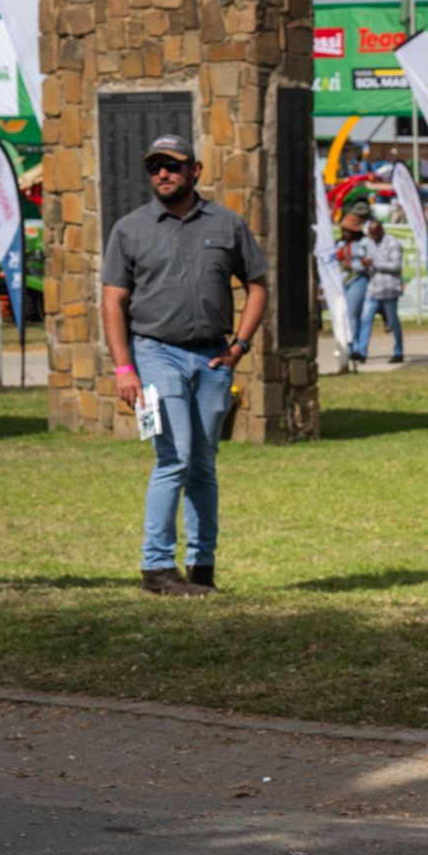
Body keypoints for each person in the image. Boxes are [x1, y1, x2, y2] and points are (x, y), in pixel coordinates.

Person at [101, 134, 270, 597]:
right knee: (173, 458)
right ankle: (156, 569)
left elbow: (258, 284)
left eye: (172, 166)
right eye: (154, 166)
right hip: (155, 353)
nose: (162, 174)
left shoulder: (227, 224)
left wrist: (239, 346)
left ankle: (202, 568)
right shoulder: (130, 228)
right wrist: (124, 368)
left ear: (194, 171)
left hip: (214, 358)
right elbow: (113, 301)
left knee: (203, 464)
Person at [350, 207, 405, 364]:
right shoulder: (369, 243)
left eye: (375, 234)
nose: (373, 238)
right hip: (373, 289)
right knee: (365, 319)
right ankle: (361, 352)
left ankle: (398, 351)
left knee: (393, 322)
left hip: (389, 290)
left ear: (381, 231)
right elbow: (364, 261)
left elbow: (396, 266)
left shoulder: (393, 243)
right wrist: (364, 264)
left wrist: (375, 263)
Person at [336, 200, 373, 366]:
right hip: (343, 281)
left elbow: (368, 263)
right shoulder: (340, 244)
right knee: (344, 315)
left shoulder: (364, 243)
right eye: (344, 230)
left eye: (349, 230)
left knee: (353, 315)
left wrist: (354, 265)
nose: (346, 233)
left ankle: (355, 348)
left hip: (358, 280)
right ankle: (348, 345)